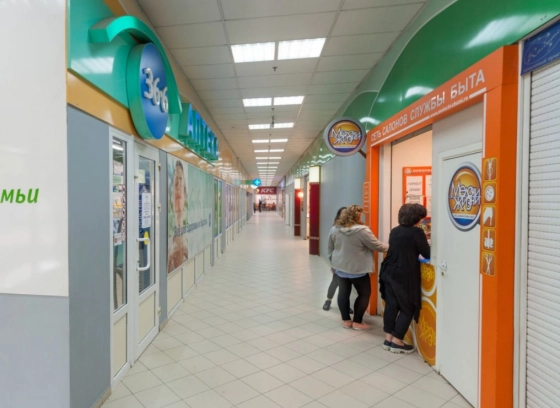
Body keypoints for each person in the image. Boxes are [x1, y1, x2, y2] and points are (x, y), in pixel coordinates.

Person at [379, 203, 430, 354]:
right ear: (416, 217)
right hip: (404, 273)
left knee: (391, 305)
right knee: (408, 307)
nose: (422, 220)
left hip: (388, 270)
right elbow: (427, 253)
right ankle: (397, 341)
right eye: (421, 217)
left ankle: (388, 339)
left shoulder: (395, 230)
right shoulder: (416, 232)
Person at [328, 205, 388, 330]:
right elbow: (377, 246)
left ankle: (346, 321)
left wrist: (333, 263)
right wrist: (393, 246)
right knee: (364, 294)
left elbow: (330, 248)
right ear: (357, 216)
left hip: (340, 268)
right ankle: (357, 322)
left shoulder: (335, 229)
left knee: (343, 293)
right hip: (358, 270)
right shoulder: (363, 231)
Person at [323, 207, 353, 315]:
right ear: (339, 215)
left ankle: (346, 306)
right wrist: (333, 263)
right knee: (335, 282)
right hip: (338, 262)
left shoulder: (354, 229)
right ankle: (328, 300)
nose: (345, 215)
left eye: (346, 213)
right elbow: (330, 248)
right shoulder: (335, 229)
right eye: (342, 213)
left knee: (347, 286)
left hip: (349, 262)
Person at [167, 161, 189, 272]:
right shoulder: (168, 239)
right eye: (175, 184)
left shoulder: (188, 239)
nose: (178, 189)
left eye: (181, 181)